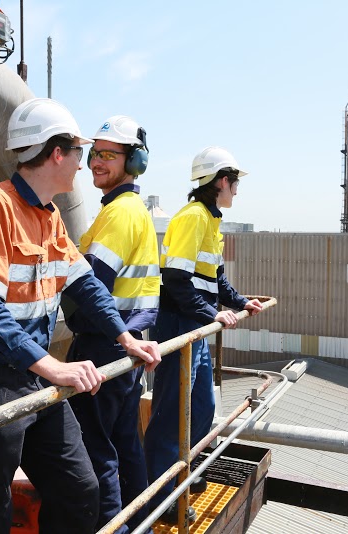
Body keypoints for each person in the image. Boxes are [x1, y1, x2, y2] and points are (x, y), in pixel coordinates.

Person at [0, 98, 160, 534]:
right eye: (79, 152)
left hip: (33, 377)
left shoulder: (49, 216)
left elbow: (85, 284)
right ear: (56, 153)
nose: (83, 164)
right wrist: (53, 367)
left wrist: (125, 338)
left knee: (80, 489)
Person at [143, 146, 264, 524]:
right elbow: (176, 281)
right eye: (235, 182)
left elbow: (216, 279)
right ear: (221, 181)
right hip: (181, 325)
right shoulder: (193, 218)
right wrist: (213, 313)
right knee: (170, 413)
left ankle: (186, 473)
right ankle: (160, 499)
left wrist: (242, 301)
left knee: (201, 406)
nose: (237, 190)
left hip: (196, 325)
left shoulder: (210, 219)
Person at [63, 115, 159, 534]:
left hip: (103, 345)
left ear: (133, 161)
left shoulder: (119, 213)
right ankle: (138, 522)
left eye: (108, 154)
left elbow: (91, 287)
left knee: (94, 450)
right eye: (94, 153)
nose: (96, 162)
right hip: (125, 344)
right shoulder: (125, 209)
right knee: (124, 446)